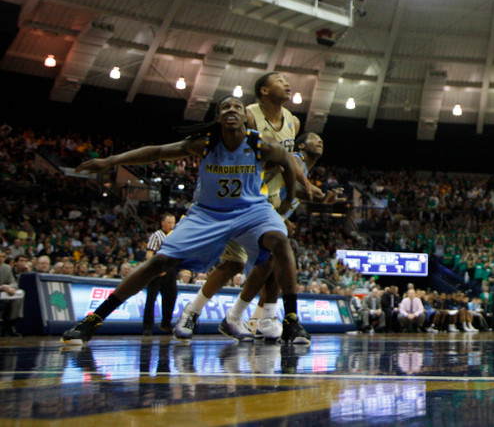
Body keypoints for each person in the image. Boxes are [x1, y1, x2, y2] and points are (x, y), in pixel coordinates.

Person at [61, 95, 310, 345]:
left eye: (237, 107)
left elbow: (288, 163)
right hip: (207, 213)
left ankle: (291, 320)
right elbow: (157, 152)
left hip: (250, 210)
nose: (231, 110)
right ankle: (92, 322)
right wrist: (110, 161)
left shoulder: (261, 144)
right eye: (225, 107)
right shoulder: (206, 143)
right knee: (159, 262)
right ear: (219, 118)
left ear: (246, 117)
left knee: (280, 240)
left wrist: (287, 204)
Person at [174, 78, 324, 342]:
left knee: (273, 260)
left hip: (270, 199)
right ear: (264, 91)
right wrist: (290, 177)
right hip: (239, 196)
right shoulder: (248, 115)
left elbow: (284, 162)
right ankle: (196, 311)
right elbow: (247, 157)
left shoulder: (293, 121)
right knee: (234, 264)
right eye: (279, 80)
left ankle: (259, 318)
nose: (287, 84)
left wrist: (298, 193)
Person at [141, 213, 178, 336]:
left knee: (171, 297)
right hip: (157, 270)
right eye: (169, 223)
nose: (172, 225)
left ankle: (166, 324)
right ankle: (147, 327)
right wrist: (155, 268)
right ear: (162, 223)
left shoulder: (176, 236)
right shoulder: (156, 236)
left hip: (171, 270)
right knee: (151, 299)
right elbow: (149, 254)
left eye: (173, 223)